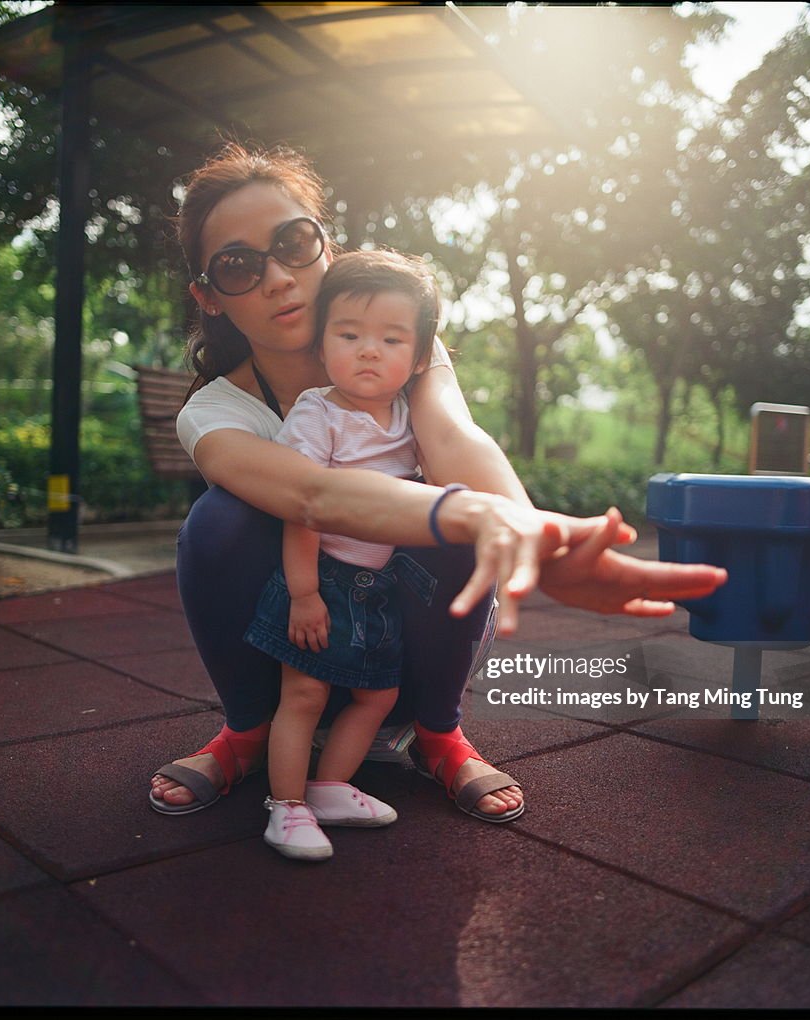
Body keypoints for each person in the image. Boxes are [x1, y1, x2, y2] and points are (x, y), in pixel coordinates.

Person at [148, 140, 727, 826]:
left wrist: (531, 532)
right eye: (239, 266)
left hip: (398, 644)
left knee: (450, 524)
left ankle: (437, 732)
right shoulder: (215, 411)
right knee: (220, 522)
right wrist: (477, 515)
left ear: (326, 248)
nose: (276, 276)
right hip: (291, 647)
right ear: (208, 297)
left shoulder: (399, 343)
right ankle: (247, 731)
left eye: (293, 242)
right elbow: (312, 494)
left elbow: (453, 439)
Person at [244, 249, 475, 860]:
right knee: (304, 695)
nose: (368, 350)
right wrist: (303, 592)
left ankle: (328, 788)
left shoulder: (406, 417)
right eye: (349, 335)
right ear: (323, 346)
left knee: (379, 696)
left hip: (376, 587)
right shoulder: (320, 412)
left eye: (391, 339)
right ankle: (285, 807)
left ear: (420, 357)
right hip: (320, 578)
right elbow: (302, 505)